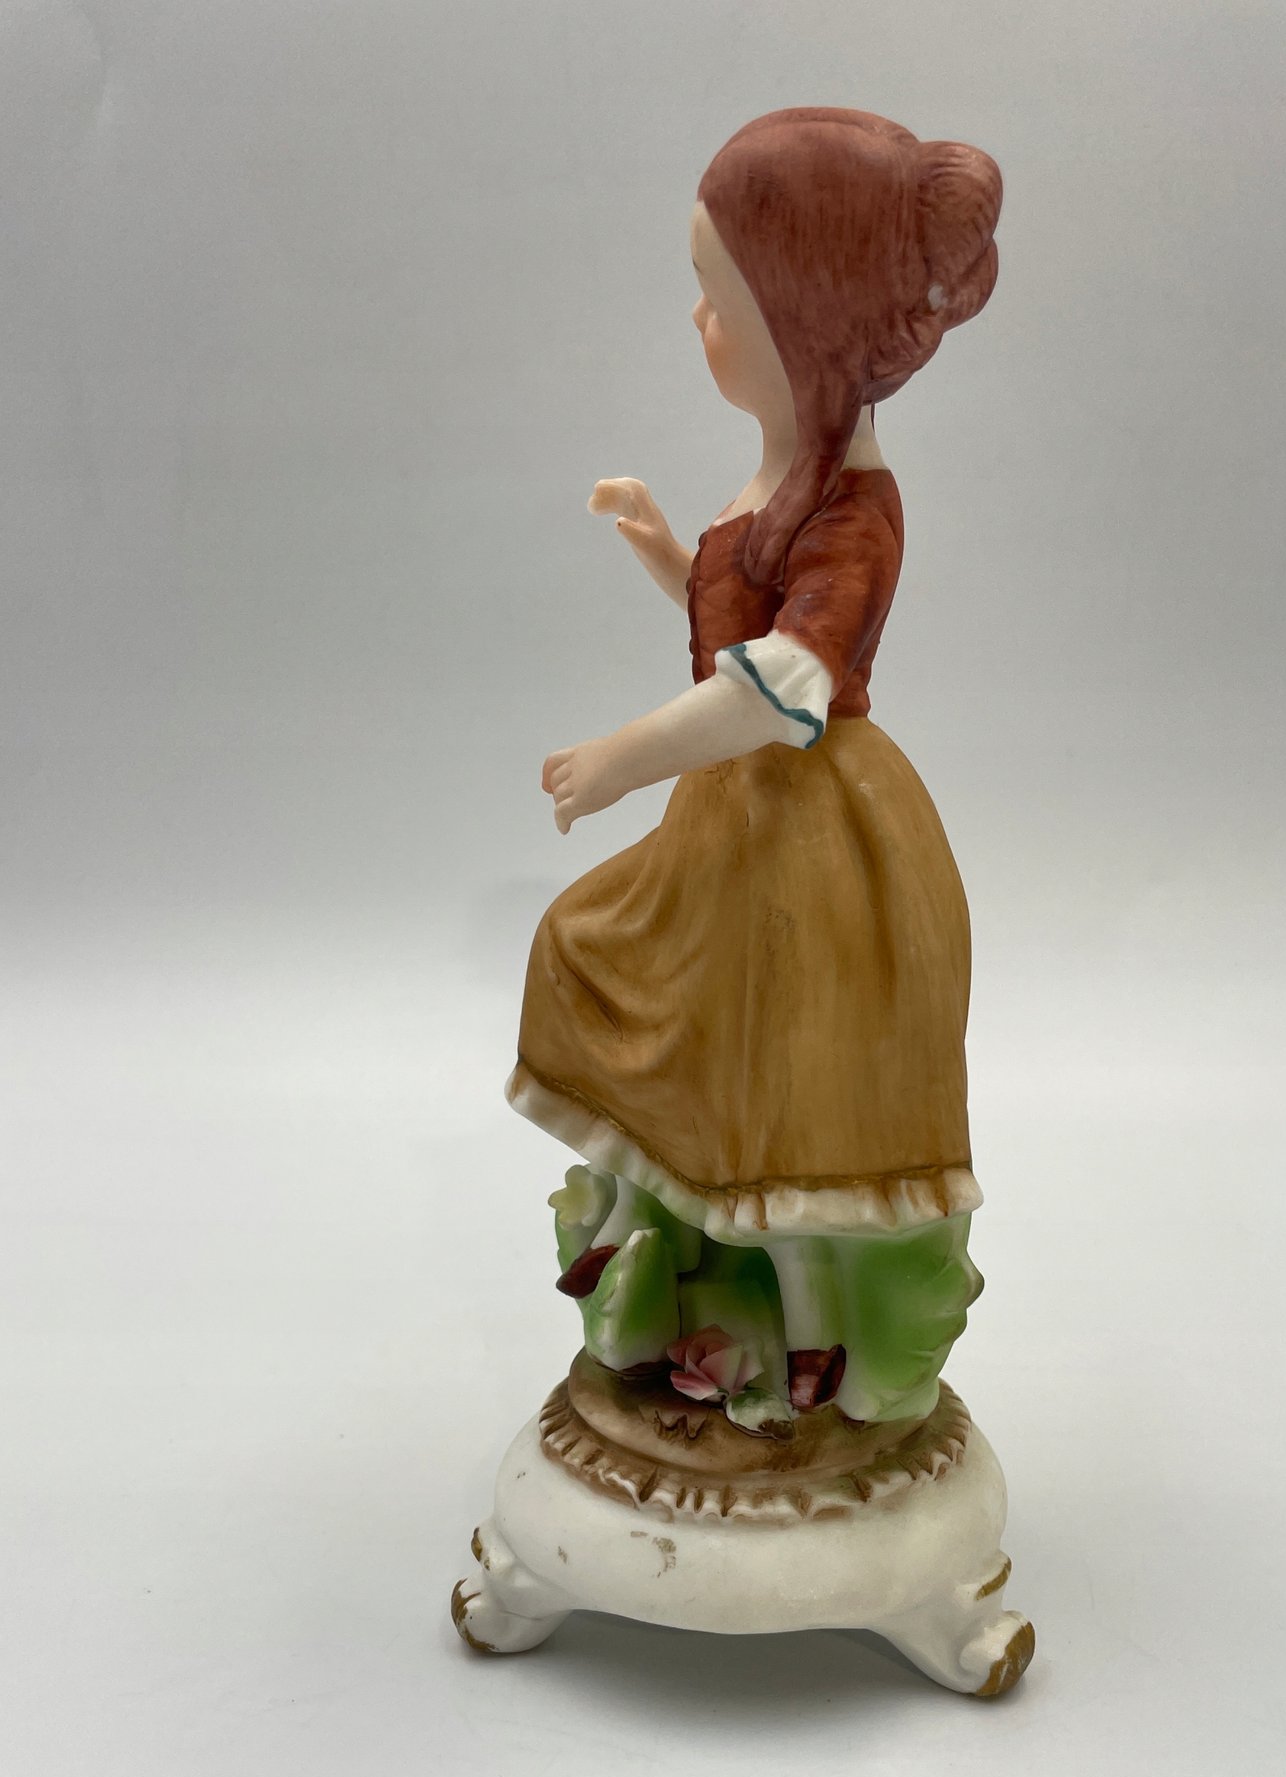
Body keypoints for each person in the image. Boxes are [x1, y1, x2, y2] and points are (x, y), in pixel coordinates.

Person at [510, 107, 1003, 1430]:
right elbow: (742, 626)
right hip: (729, 821)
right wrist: (668, 550)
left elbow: (781, 688)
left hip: (810, 838)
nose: (698, 321)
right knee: (615, 976)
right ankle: (658, 1237)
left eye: (718, 300)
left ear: (807, 330)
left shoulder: (855, 511)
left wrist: (620, 759)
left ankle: (812, 1326)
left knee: (784, 1081)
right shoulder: (780, 477)